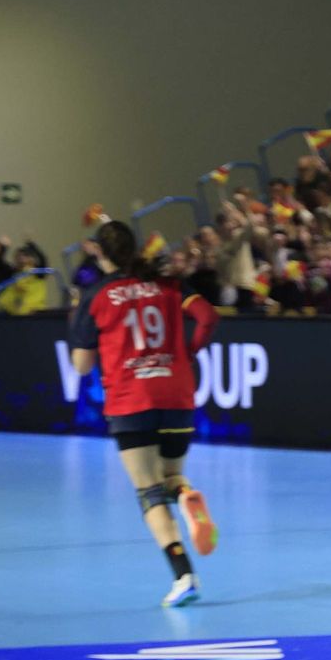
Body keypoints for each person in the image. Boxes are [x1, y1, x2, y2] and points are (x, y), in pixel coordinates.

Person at [66, 221, 221, 607]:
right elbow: (207, 316)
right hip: (177, 393)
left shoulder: (96, 294)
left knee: (148, 492)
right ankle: (185, 495)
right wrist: (188, 352)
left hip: (131, 400)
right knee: (170, 477)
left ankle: (184, 574)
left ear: (99, 253)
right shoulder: (166, 283)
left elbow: (82, 366)